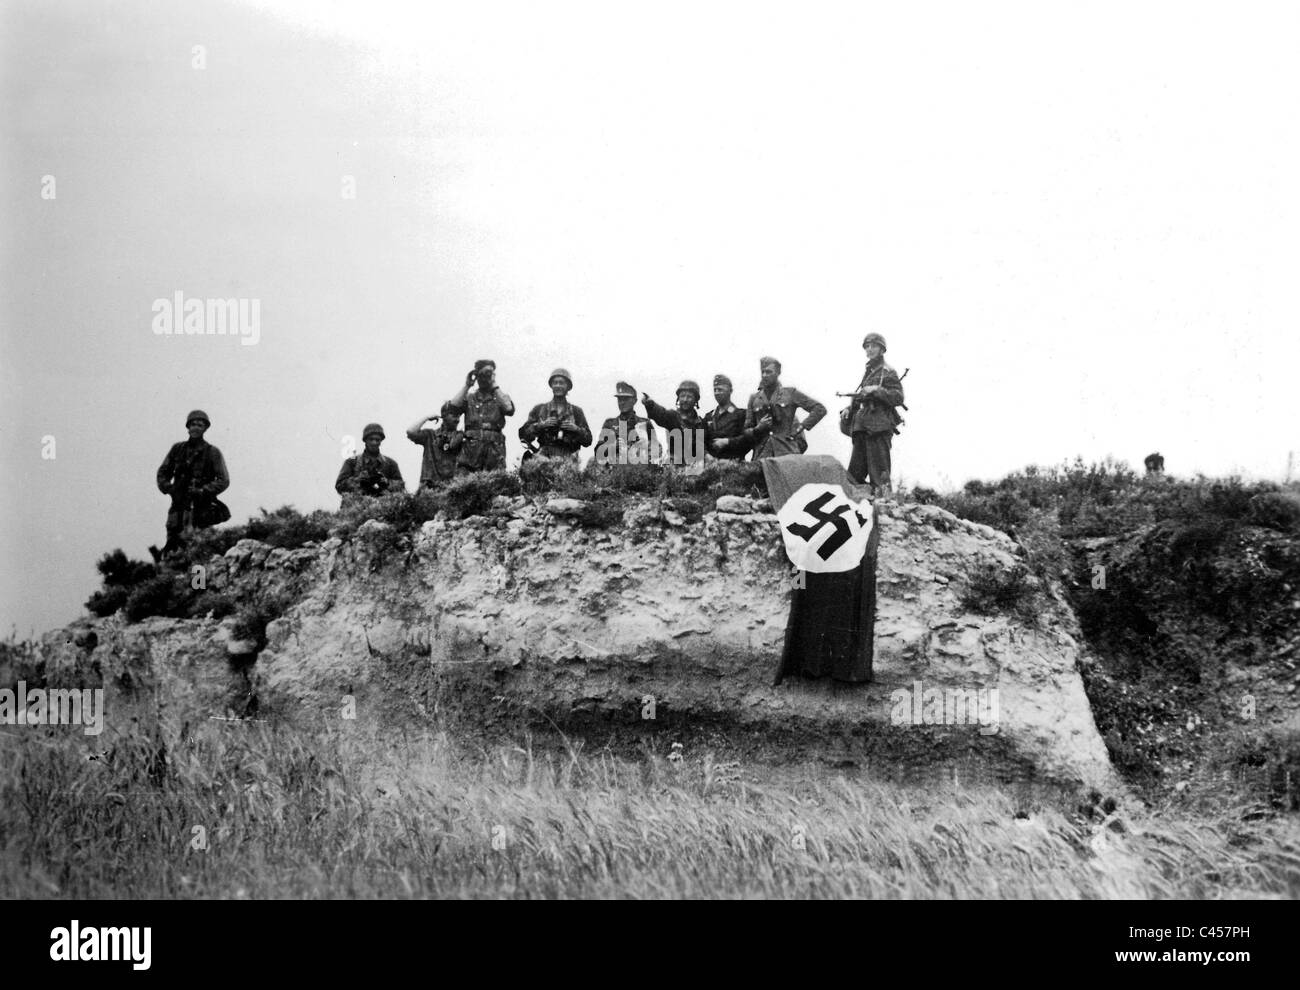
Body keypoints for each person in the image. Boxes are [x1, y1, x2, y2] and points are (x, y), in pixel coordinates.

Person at [156, 409, 231, 556]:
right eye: (193, 424)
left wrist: (203, 491)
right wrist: (169, 488)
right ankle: (172, 576)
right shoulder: (177, 449)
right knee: (173, 547)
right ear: (188, 427)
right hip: (178, 508)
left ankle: (199, 579)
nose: (196, 427)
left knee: (199, 549)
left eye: (200, 425)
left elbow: (224, 480)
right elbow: (163, 473)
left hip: (201, 508)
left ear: (205, 428)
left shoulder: (212, 452)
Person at [846, 333, 905, 497]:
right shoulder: (870, 371)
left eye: (874, 346)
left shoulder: (888, 372)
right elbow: (861, 395)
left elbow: (898, 397)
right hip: (862, 425)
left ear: (882, 349)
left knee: (880, 475)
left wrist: (877, 390)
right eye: (867, 346)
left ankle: (885, 509)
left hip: (878, 426)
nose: (870, 349)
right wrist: (848, 409)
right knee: (854, 474)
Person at [743, 357, 826, 460]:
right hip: (762, 456)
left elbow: (819, 409)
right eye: (762, 372)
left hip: (787, 454)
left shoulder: (790, 393)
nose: (764, 375)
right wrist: (758, 429)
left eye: (769, 372)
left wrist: (801, 427)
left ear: (778, 372)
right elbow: (746, 431)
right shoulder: (754, 398)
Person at [445, 359, 515, 475]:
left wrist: (494, 384)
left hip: (494, 450)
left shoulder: (500, 396)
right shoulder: (469, 398)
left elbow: (508, 409)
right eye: (482, 374)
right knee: (466, 484)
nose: (485, 378)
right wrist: (467, 385)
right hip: (471, 451)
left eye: (489, 373)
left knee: (495, 482)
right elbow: (452, 408)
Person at [518, 368, 593, 460]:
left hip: (569, 459)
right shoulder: (540, 409)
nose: (558, 386)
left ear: (568, 386)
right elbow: (523, 435)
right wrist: (541, 425)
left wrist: (576, 429)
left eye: (561, 383)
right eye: (555, 382)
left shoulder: (576, 411)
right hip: (543, 458)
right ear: (551, 385)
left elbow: (588, 440)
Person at [335, 423, 404, 505]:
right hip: (356, 507)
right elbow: (339, 486)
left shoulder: (391, 464)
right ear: (365, 440)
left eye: (377, 440)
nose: (374, 442)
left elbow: (401, 486)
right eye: (371, 439)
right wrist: (358, 480)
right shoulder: (352, 462)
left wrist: (387, 482)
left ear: (381, 441)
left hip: (382, 507)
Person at [641, 380, 706, 466]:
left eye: (689, 397)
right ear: (678, 398)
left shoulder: (700, 423)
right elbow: (661, 414)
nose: (685, 400)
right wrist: (651, 405)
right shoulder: (673, 416)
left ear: (696, 400)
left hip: (694, 466)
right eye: (682, 396)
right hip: (674, 466)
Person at [594, 382, 660, 465]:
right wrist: (613, 447)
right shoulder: (609, 424)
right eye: (619, 399)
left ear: (634, 401)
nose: (622, 402)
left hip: (639, 471)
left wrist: (643, 448)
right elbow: (598, 452)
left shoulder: (645, 423)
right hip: (615, 472)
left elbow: (657, 450)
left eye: (625, 399)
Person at [406, 403, 463, 488]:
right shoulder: (430, 435)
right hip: (429, 487)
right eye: (453, 415)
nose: (457, 419)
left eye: (458, 416)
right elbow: (411, 431)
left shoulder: (461, 438)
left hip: (450, 487)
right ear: (444, 416)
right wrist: (426, 418)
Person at [703, 374, 751, 460]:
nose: (717, 393)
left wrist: (727, 442)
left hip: (734, 465)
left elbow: (748, 440)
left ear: (730, 390)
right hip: (712, 466)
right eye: (715, 390)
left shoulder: (741, 414)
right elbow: (700, 441)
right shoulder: (709, 417)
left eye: (720, 389)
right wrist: (706, 455)